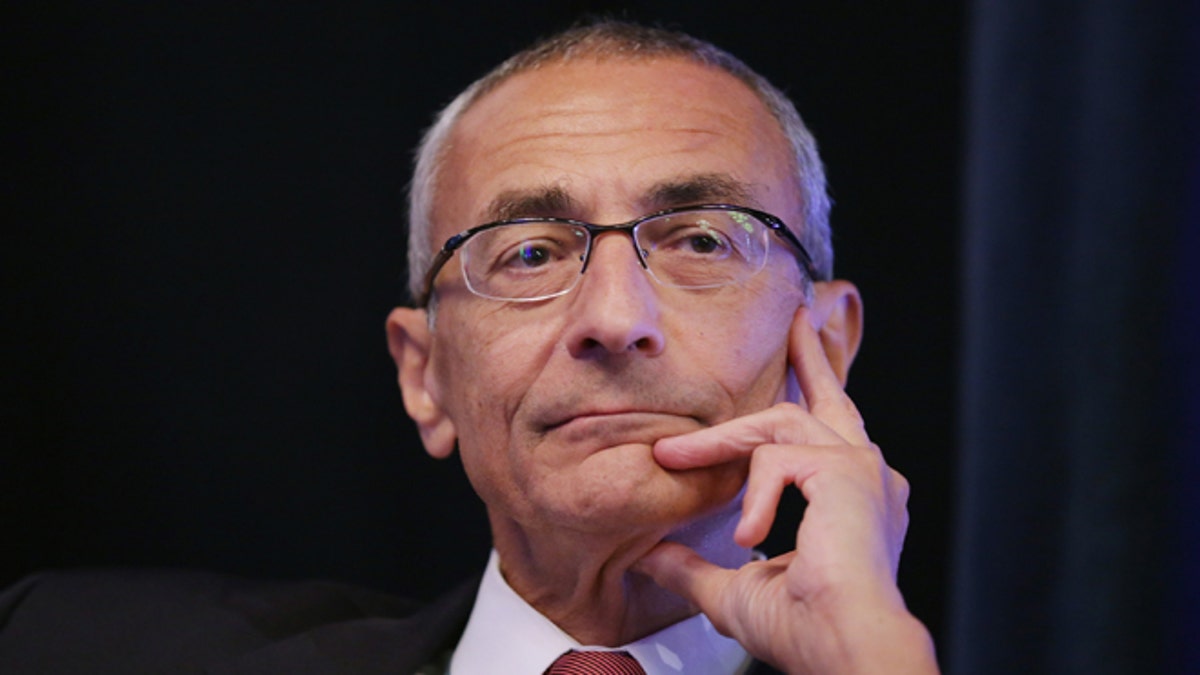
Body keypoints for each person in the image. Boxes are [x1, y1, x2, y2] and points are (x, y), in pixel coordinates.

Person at [0, 20, 937, 674]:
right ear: (425, 376)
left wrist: (866, 655)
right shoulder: (62, 645)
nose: (615, 316)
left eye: (700, 240)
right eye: (530, 253)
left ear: (826, 340)